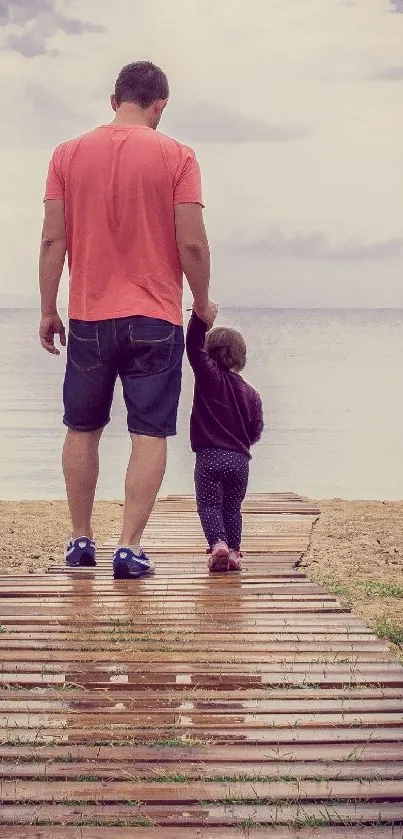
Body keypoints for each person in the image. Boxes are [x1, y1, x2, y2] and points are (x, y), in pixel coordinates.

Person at [39, 61, 217, 579]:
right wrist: (202, 302)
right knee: (149, 434)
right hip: (155, 316)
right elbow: (192, 242)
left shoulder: (66, 155)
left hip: (89, 316)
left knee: (82, 428)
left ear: (114, 98)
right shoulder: (178, 156)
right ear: (159, 104)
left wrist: (49, 307)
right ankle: (129, 547)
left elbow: (53, 239)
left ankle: (79, 540)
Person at [186, 313, 264, 572]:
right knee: (233, 508)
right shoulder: (252, 394)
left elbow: (192, 345)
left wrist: (200, 316)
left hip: (209, 457)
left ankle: (218, 542)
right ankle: (233, 553)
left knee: (209, 505)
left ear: (209, 354)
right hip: (240, 461)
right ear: (241, 359)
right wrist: (242, 445)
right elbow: (256, 430)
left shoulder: (210, 379)